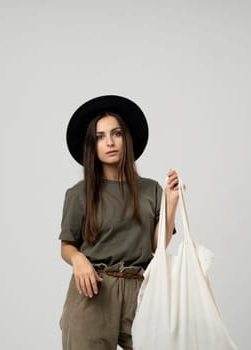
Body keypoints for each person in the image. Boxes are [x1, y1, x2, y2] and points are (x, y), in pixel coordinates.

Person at [58, 95, 180, 350]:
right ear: (92, 145)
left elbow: (159, 245)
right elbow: (67, 246)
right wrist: (79, 260)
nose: (110, 142)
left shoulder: (151, 190)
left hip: (141, 291)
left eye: (116, 133)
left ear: (127, 139)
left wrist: (171, 203)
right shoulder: (79, 194)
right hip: (93, 293)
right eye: (100, 137)